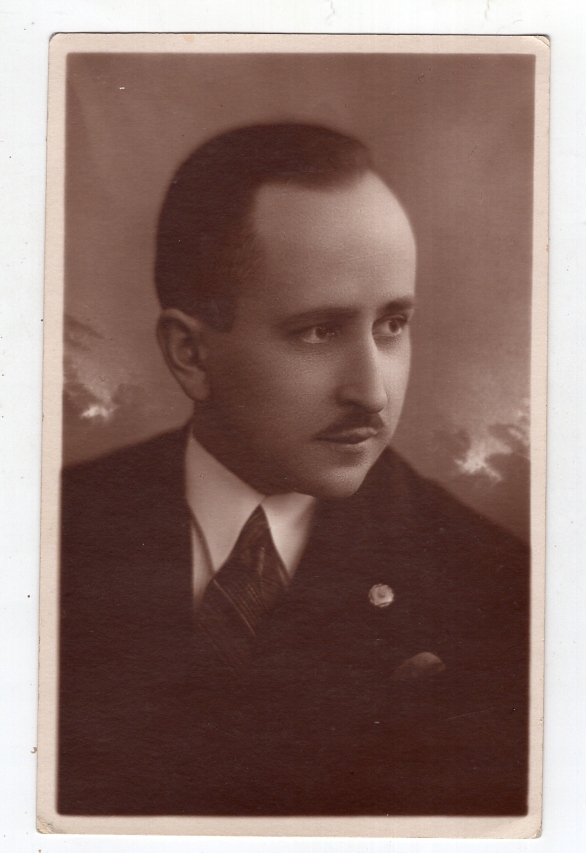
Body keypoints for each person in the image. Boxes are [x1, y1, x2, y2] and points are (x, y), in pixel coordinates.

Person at [58, 123, 529, 817]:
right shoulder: (53, 532)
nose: (372, 391)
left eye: (392, 324)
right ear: (189, 353)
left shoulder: (500, 593)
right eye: (318, 331)